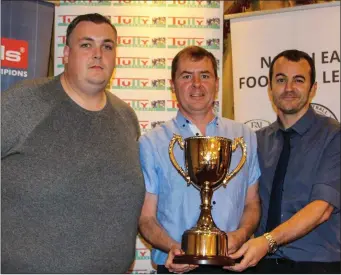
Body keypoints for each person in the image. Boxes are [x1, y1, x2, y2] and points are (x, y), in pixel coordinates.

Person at [1, 13, 145, 273]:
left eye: (107, 46)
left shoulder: (126, 117)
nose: (98, 54)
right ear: (66, 54)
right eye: (86, 44)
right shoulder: (22, 103)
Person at [138, 46, 261, 274]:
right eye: (186, 76)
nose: (196, 84)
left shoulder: (244, 137)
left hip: (232, 265)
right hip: (177, 266)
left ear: (216, 82)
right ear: (172, 85)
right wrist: (173, 247)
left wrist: (240, 235)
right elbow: (146, 218)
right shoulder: (152, 143)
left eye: (204, 75)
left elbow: (252, 203)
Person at [225, 49, 340, 274]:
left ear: (313, 88)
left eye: (299, 80)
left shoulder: (334, 136)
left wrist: (267, 241)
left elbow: (322, 208)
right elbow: (246, 203)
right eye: (281, 80)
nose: (289, 88)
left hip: (317, 266)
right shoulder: (256, 141)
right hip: (261, 264)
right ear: (270, 89)